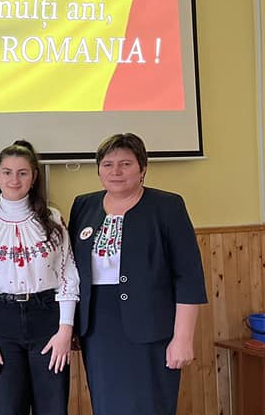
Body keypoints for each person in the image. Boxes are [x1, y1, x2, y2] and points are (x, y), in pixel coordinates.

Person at [68, 133, 206, 415]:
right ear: (99, 170)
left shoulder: (167, 206)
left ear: (143, 168)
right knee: (107, 405)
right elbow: (70, 271)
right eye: (108, 164)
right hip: (98, 330)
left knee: (150, 405)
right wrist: (70, 324)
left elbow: (188, 276)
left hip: (151, 329)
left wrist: (182, 338)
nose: (115, 171)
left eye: (125, 164)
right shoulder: (83, 205)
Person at [0, 141, 79, 415]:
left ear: (34, 177)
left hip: (47, 319)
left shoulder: (52, 218)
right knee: (8, 407)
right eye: (7, 172)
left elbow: (68, 274)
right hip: (0, 320)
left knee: (53, 407)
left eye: (22, 173)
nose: (14, 180)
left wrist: (65, 330)